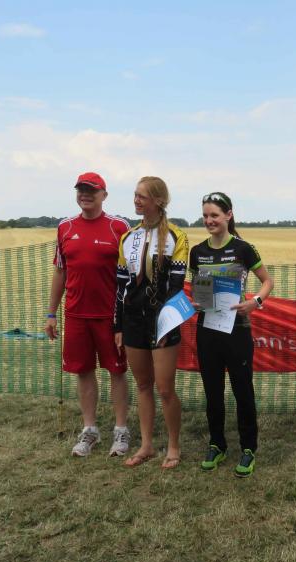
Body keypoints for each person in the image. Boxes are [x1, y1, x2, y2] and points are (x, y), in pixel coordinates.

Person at [45, 172, 131, 457]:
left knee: (117, 370)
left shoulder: (119, 226)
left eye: (92, 190)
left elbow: (131, 273)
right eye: (81, 190)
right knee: (83, 371)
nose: (85, 195)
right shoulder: (65, 227)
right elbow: (60, 271)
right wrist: (51, 313)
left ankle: (121, 430)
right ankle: (90, 430)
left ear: (104, 195)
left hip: (110, 316)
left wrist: (127, 316)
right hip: (76, 315)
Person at [189, 192, 274, 477]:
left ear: (229, 215)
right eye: (205, 216)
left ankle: (248, 448)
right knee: (212, 391)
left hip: (237, 330)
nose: (209, 220)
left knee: (242, 390)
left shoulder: (243, 248)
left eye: (214, 215)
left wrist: (255, 302)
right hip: (207, 329)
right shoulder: (197, 252)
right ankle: (217, 444)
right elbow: (199, 287)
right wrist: (197, 302)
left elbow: (267, 281)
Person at [115, 176, 189, 469]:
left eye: (142, 196)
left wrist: (166, 325)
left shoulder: (176, 236)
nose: (136, 200)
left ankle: (173, 446)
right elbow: (121, 287)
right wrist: (118, 326)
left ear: (158, 201)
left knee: (165, 388)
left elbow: (176, 287)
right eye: (135, 195)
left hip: (163, 320)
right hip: (133, 320)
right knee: (143, 385)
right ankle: (146, 445)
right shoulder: (127, 237)